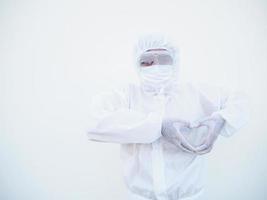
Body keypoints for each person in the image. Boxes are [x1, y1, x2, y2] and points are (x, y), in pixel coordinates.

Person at [87, 34, 249, 200]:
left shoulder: (195, 93)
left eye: (164, 59)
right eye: (147, 61)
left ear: (175, 62)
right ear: (137, 64)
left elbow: (240, 100)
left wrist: (222, 119)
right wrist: (159, 126)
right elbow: (96, 121)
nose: (156, 66)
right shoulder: (127, 95)